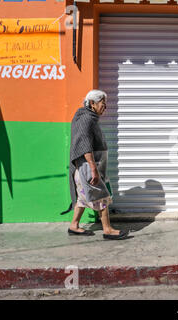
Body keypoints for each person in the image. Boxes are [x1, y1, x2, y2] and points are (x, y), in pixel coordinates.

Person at [64, 89, 129, 240]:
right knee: (102, 197)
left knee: (82, 197)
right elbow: (85, 145)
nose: (105, 107)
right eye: (102, 104)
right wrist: (93, 169)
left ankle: (74, 225)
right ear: (92, 104)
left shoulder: (87, 117)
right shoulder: (86, 119)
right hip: (87, 168)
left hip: (84, 168)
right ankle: (108, 230)